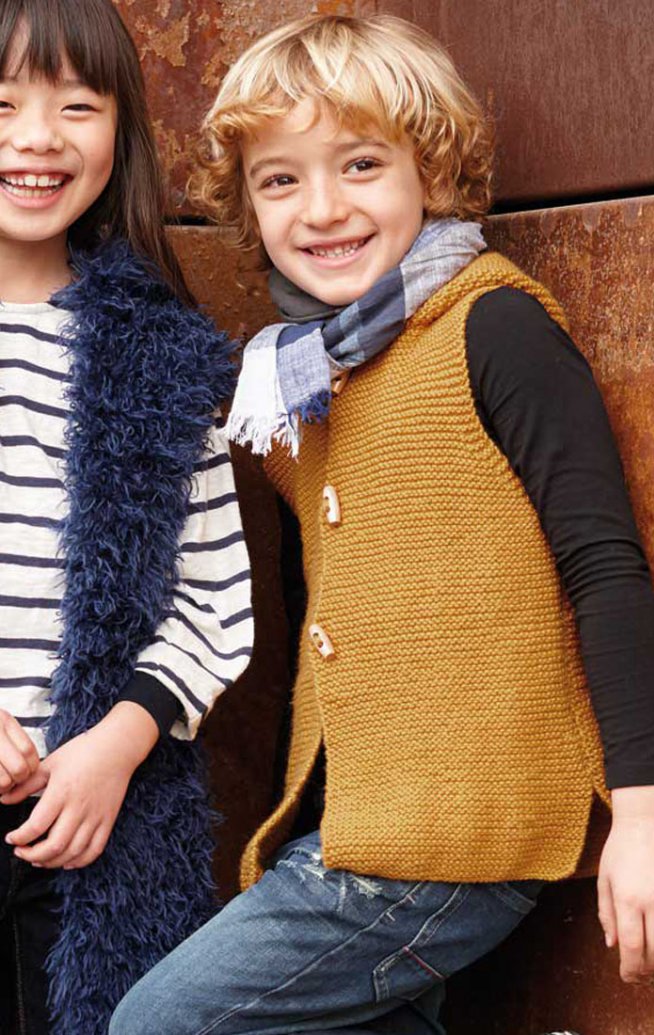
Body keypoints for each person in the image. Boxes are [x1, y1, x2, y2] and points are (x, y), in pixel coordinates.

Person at [110, 13, 654, 1035]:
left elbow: (603, 564)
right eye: (280, 179)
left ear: (429, 171)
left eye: (360, 164)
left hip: (454, 835)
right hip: (360, 823)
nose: (323, 208)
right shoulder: (299, 375)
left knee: (158, 1023)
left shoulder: (493, 323)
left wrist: (647, 815)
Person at [0, 1, 253, 1033]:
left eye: (77, 105)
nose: (37, 138)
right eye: (2, 105)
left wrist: (115, 745)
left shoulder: (161, 352)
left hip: (91, 825)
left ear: (122, 131)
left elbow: (213, 599)